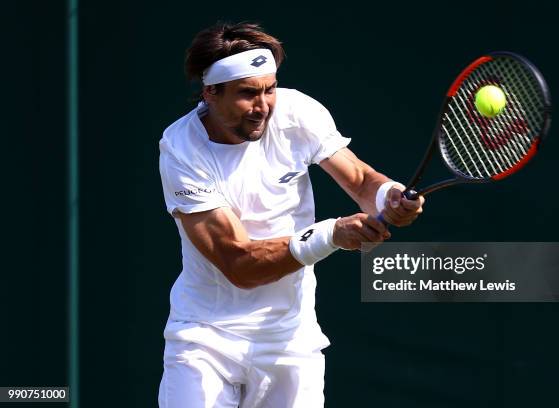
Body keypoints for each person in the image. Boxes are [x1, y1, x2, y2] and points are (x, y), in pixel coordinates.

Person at [157, 22, 425, 408]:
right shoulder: (181, 149)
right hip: (206, 338)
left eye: (269, 89)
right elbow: (238, 263)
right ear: (209, 93)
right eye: (247, 93)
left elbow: (362, 180)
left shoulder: (297, 111)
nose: (263, 105)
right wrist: (331, 235)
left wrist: (390, 196)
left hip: (290, 340)